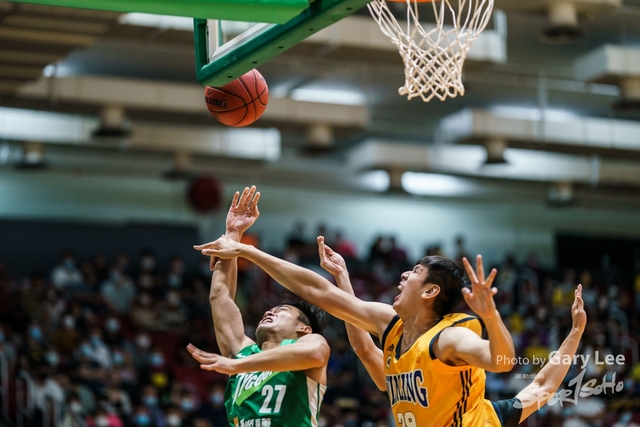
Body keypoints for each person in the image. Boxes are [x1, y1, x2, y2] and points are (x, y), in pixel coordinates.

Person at [195, 213, 517, 427]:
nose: (404, 273)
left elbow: (503, 362)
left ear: (431, 291)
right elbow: (332, 305)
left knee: (534, 394)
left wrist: (491, 315)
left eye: (415, 271)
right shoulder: (390, 324)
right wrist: (240, 246)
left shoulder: (448, 337)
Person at [317, 236, 588, 427]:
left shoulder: (451, 343)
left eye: (414, 271)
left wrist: (576, 330)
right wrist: (342, 277)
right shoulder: (406, 369)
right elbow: (363, 347)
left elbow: (537, 382)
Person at [187, 186, 330, 427]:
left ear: (303, 329)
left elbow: (315, 353)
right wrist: (233, 234)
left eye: (282, 311)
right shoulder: (242, 351)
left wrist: (236, 366)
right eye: (271, 309)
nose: (269, 311)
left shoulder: (309, 344)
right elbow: (221, 297)